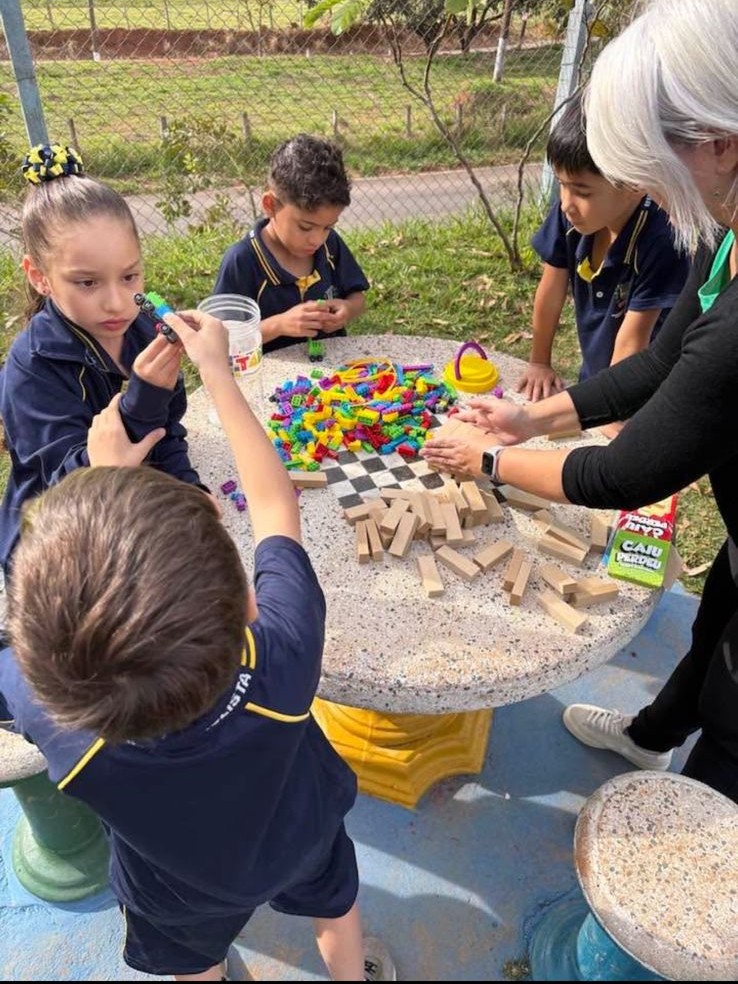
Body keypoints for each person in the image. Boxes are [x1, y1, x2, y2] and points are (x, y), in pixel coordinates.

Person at [0, 306, 396, 982]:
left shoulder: (60, 726)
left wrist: (99, 478)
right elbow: (277, 507)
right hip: (300, 836)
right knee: (336, 907)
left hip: (176, 888)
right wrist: (215, 371)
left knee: (192, 964)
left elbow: (22, 647)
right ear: (247, 602)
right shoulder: (282, 662)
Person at [422, 0, 738, 805]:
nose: (645, 189)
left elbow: (626, 472)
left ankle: (673, 872)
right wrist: (532, 417)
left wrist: (490, 460)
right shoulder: (727, 234)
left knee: (732, 736)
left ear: (719, 144)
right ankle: (649, 738)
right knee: (713, 629)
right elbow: (664, 360)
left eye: (645, 163)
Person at [0, 143, 205, 578]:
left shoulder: (145, 327)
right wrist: (141, 402)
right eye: (88, 282)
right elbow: (68, 490)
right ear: (40, 276)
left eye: (129, 276)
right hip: (56, 549)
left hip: (132, 511)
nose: (116, 303)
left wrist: (188, 489)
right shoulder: (30, 369)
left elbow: (167, 432)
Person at [517, 93, 689, 428]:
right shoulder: (571, 218)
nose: (567, 203)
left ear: (635, 183)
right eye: (562, 185)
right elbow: (550, 290)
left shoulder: (661, 238)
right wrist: (539, 362)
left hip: (648, 394)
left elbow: (634, 339)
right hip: (600, 377)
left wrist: (612, 413)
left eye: (582, 191)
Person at [213, 133, 369, 354]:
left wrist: (348, 309)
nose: (317, 239)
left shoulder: (330, 246)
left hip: (330, 379)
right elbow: (220, 340)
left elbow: (358, 297)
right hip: (270, 381)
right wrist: (279, 325)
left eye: (328, 227)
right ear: (270, 205)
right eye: (305, 227)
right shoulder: (242, 261)